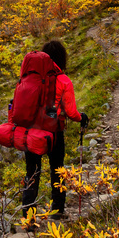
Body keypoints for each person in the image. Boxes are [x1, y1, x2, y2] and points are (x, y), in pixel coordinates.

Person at [21, 39, 89, 224]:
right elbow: (72, 112)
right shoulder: (63, 80)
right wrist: (82, 117)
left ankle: (28, 217)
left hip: (31, 131)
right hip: (54, 132)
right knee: (57, 170)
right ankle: (57, 210)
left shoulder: (30, 78)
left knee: (32, 172)